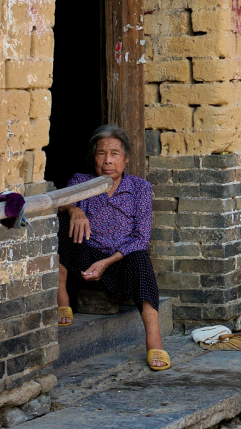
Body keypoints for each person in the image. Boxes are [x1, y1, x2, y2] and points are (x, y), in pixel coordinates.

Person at [57, 124, 170, 371]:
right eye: (101, 153)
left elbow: (141, 237)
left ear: (125, 159)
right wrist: (73, 208)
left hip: (118, 265)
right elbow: (60, 201)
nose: (107, 161)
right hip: (84, 260)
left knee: (140, 258)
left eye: (115, 154)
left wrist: (105, 263)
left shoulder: (140, 188)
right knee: (63, 221)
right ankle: (61, 295)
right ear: (94, 157)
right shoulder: (82, 181)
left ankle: (154, 339)